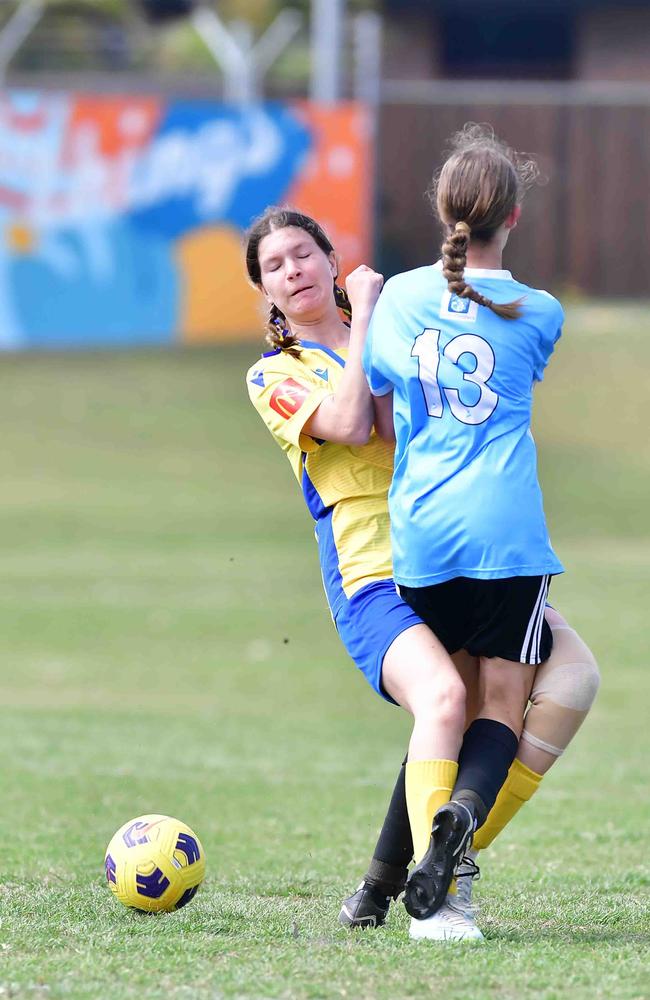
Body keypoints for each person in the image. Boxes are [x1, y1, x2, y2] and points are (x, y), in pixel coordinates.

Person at [244, 206, 598, 941]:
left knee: (573, 680)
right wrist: (370, 314)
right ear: (266, 293)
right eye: (275, 267)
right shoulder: (275, 371)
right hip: (373, 575)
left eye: (304, 254)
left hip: (441, 552)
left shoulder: (406, 321)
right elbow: (351, 426)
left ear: (331, 259)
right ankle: (434, 894)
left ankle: (405, 874)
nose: (294, 271)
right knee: (445, 702)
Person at [362, 123, 585, 934]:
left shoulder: (397, 302)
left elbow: (381, 396)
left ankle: (398, 876)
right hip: (506, 534)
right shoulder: (541, 311)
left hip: (423, 535)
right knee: (500, 707)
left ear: (441, 209)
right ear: (514, 218)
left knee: (440, 709)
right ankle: (452, 834)